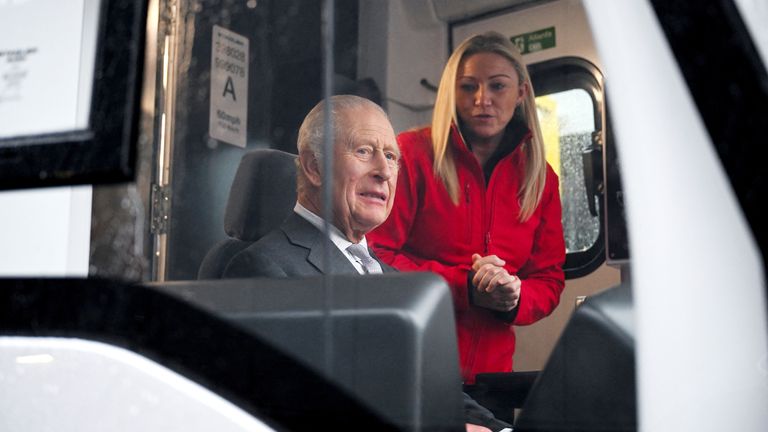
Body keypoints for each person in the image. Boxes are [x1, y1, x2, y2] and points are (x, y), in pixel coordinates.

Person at [222, 95, 511, 432]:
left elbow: (440, 390)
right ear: (314, 167)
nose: (384, 172)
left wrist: (497, 429)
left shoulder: (393, 280)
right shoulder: (263, 269)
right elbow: (308, 408)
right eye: (363, 151)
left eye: (391, 157)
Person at [368, 31, 566, 386]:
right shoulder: (412, 155)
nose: (482, 99)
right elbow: (373, 256)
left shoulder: (541, 178)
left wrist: (515, 295)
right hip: (410, 366)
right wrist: (465, 287)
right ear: (451, 94)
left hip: (491, 380)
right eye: (468, 87)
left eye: (497, 87)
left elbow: (549, 280)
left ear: (521, 92)